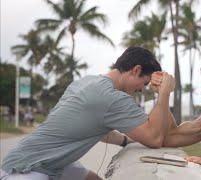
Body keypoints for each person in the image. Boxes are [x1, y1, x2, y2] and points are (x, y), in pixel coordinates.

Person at [0, 46, 175, 180]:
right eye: (144, 84)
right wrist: (164, 93)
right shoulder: (111, 97)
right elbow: (154, 139)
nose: (141, 90)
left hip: (35, 159)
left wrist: (125, 142)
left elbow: (93, 128)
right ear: (136, 70)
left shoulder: (85, 82)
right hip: (26, 170)